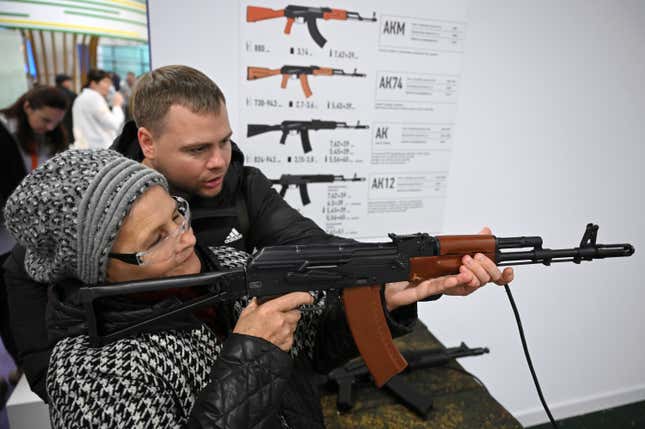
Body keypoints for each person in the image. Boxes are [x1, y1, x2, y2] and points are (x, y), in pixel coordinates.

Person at [4, 65, 513, 401]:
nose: (220, 160)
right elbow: (36, 306)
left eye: (226, 141)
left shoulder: (241, 189)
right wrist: (70, 387)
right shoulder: (85, 211)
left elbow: (311, 245)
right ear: (147, 141)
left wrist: (390, 277)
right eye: (199, 149)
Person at [3, 149, 419, 427]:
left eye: (177, 214)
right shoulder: (87, 373)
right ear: (95, 270)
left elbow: (310, 347)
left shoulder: (222, 266)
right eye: (155, 240)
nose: (186, 238)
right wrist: (252, 357)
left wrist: (381, 304)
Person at [0, 86, 69, 386]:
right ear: (27, 107)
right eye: (44, 120)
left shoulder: (52, 138)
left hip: (38, 238)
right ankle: (24, 368)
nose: (49, 127)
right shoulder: (5, 135)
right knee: (10, 308)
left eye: (55, 122)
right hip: (7, 240)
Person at [71, 69, 124, 149]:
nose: (109, 87)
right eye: (106, 82)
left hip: (88, 148)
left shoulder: (83, 97)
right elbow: (114, 123)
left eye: (110, 83)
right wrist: (117, 105)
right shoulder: (93, 97)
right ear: (93, 84)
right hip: (97, 150)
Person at [54, 74, 77, 144]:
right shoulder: (71, 94)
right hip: (68, 120)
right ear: (64, 82)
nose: (70, 83)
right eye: (69, 81)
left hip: (54, 121)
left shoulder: (52, 92)